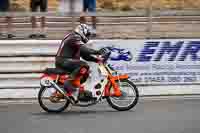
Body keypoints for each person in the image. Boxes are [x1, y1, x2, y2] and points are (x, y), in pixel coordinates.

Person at [55, 24, 103, 103]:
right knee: (83, 65)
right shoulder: (74, 37)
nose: (88, 37)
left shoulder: (76, 39)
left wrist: (97, 60)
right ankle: (68, 83)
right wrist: (97, 51)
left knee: (86, 72)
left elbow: (85, 55)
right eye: (87, 34)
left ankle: (75, 90)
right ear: (82, 31)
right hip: (63, 61)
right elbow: (85, 49)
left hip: (66, 61)